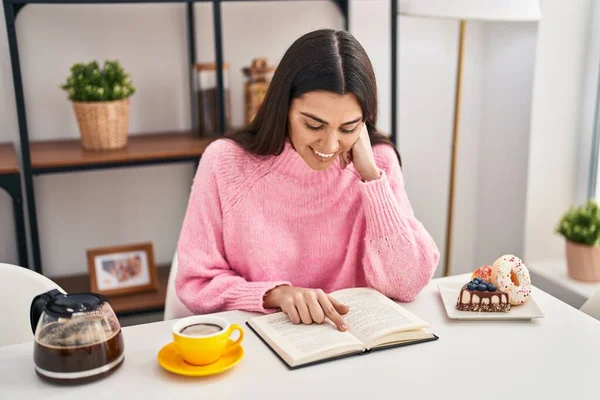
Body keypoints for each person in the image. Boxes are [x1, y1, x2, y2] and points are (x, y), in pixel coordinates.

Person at [175, 29, 439, 331]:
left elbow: (406, 283)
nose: (329, 146)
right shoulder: (226, 163)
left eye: (348, 127)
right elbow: (196, 283)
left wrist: (371, 178)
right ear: (283, 107)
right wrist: (277, 295)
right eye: (314, 124)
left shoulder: (378, 164)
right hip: (257, 348)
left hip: (355, 348)